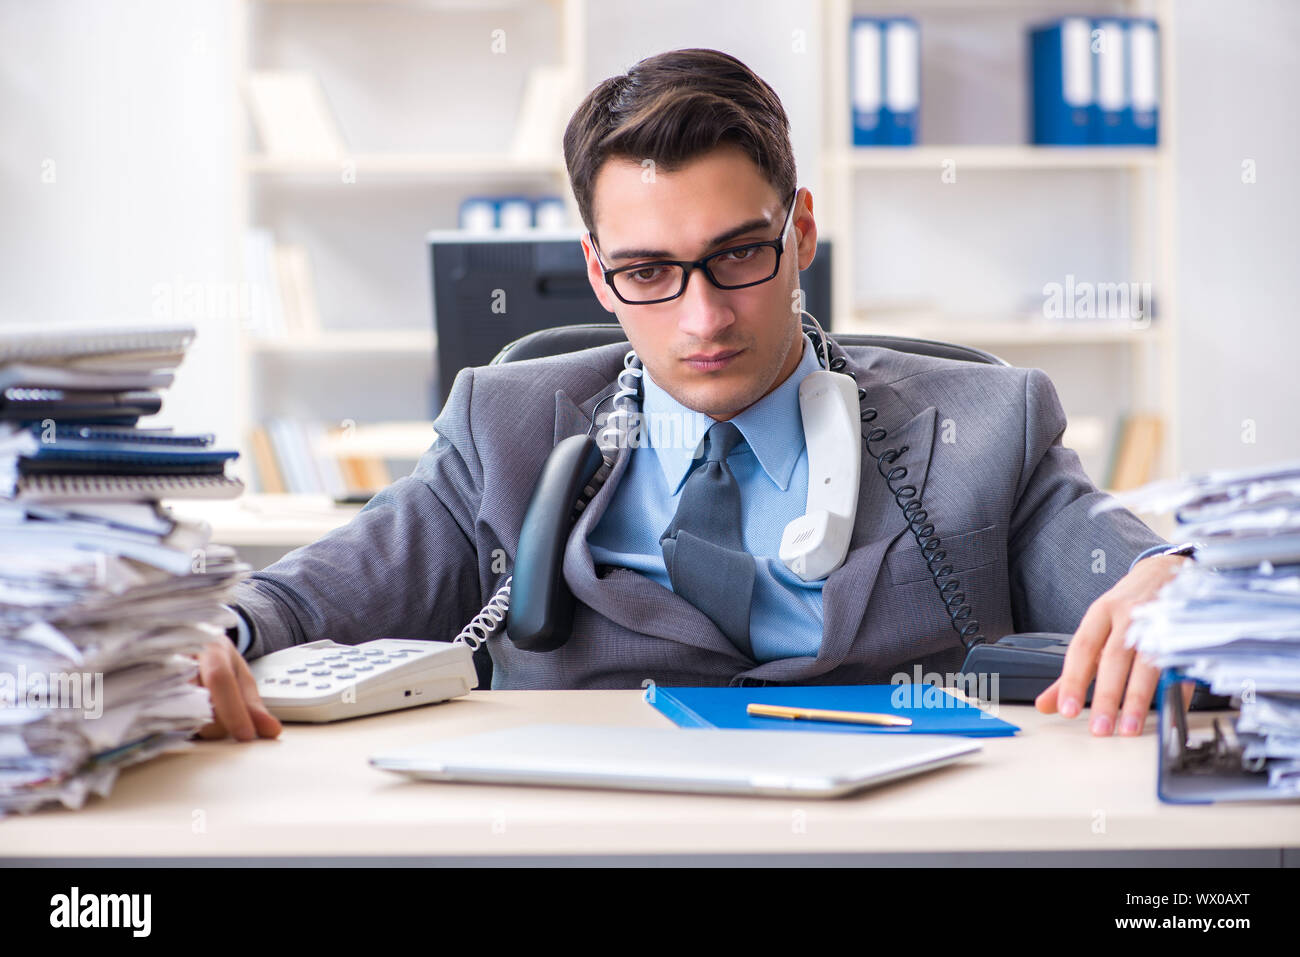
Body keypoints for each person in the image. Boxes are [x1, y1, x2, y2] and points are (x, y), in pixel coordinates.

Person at [197, 48, 1189, 745]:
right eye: (648, 272)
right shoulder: (504, 430)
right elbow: (296, 602)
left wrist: (1185, 580)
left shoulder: (984, 425)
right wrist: (207, 641)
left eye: (738, 255)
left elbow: (1144, 583)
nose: (703, 318)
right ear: (596, 273)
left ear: (800, 231)